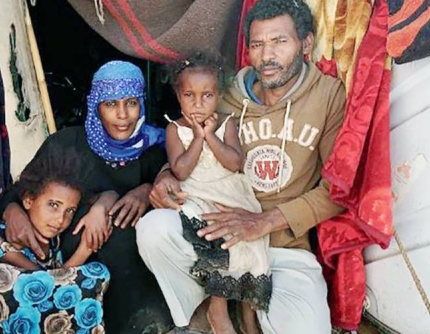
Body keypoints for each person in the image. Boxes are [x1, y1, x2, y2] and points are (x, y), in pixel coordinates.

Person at [137, 0, 346, 333]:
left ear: (305, 44)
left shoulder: (328, 95)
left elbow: (338, 190)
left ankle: (246, 309)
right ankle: (211, 308)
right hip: (217, 232)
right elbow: (190, 139)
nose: (267, 56)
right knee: (153, 230)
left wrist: (263, 221)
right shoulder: (224, 93)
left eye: (280, 41)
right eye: (257, 44)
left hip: (283, 245)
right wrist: (164, 177)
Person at [2, 61, 174, 333]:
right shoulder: (65, 145)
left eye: (131, 103)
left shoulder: (154, 149)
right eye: (110, 104)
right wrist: (12, 211)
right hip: (73, 269)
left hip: (133, 275)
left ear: (142, 104)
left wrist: (147, 191)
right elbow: (18, 192)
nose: (122, 115)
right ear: (96, 106)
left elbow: (177, 189)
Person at [164, 52, 270, 334]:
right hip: (197, 193)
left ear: (219, 95)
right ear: (178, 95)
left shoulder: (227, 123)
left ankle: (249, 316)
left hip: (230, 192)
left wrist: (211, 134)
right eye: (189, 95)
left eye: (207, 95)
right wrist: (198, 137)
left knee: (250, 244)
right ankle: (219, 311)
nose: (198, 104)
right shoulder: (174, 129)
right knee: (216, 240)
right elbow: (181, 171)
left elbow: (235, 163)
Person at [0, 145, 110, 333]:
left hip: (53, 311)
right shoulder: (1, 237)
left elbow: (109, 195)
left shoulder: (53, 237)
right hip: (18, 311)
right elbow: (44, 285)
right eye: (53, 205)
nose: (60, 219)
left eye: (69, 211)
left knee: (96, 273)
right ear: (28, 200)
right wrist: (84, 251)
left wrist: (99, 209)